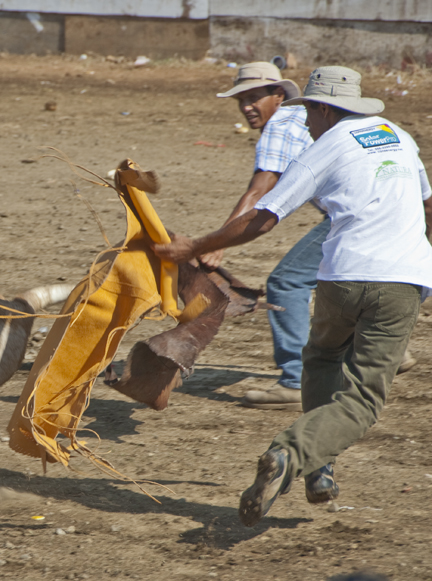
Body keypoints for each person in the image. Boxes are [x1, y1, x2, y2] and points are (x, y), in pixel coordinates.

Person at [153, 66, 432, 527]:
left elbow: (265, 216)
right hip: (402, 281)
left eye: (307, 114)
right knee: (362, 397)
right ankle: (304, 459)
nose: (304, 123)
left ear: (324, 108)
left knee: (322, 360)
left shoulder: (326, 146)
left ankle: (305, 462)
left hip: (341, 278)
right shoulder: (398, 135)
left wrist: (195, 246)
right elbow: (426, 203)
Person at [202, 62, 318, 411]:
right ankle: (388, 349)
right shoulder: (315, 119)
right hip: (402, 213)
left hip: (356, 217)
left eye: (254, 98)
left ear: (278, 96)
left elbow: (260, 191)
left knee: (288, 283)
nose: (246, 107)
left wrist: (215, 244)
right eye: (241, 100)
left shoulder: (282, 122)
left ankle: (297, 380)